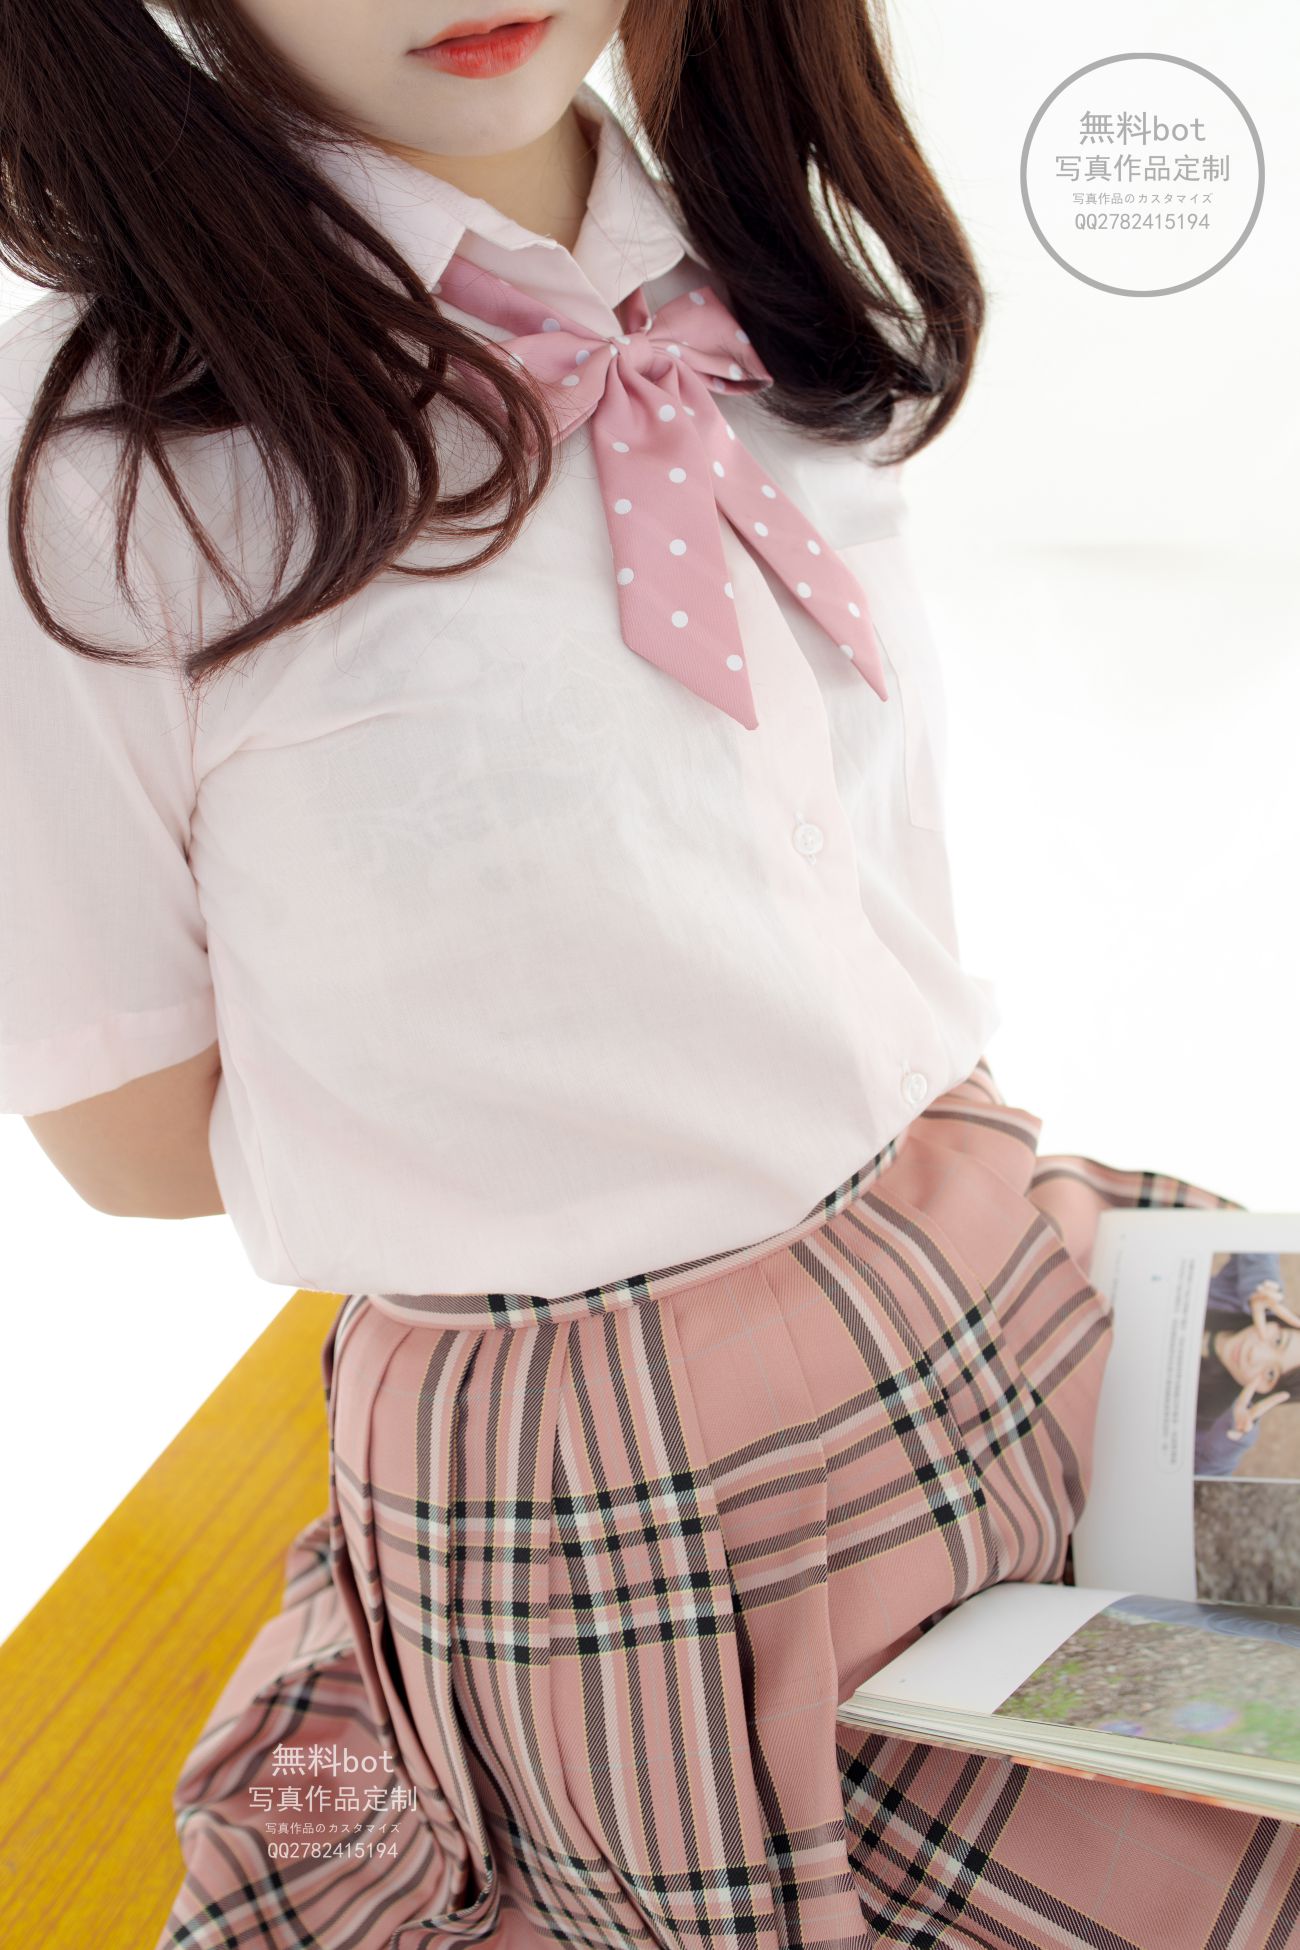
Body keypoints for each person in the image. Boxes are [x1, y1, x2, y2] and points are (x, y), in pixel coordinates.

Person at [1, 4, 1295, 1946]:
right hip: (627, 1470)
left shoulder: (738, 270)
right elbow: (134, 1142)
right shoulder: (98, 468)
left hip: (981, 1252)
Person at [1194, 1252, 1300, 1477]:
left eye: (1270, 1374)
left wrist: (1232, 1439)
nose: (1255, 1355)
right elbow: (1259, 1243)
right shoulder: (1234, 1299)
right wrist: (1262, 1287)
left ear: (1268, 1394)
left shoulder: (1217, 1419)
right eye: (1278, 1341)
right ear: (1280, 1320)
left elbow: (1202, 1481)